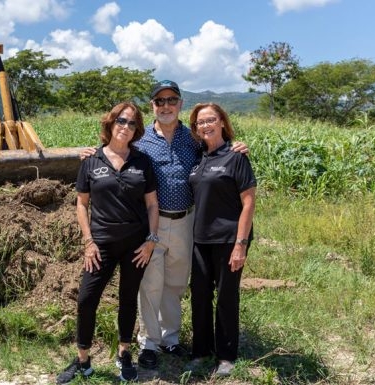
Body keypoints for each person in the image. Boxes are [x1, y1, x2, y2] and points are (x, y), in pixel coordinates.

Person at [78, 80, 248, 370]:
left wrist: (237, 146)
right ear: (153, 107)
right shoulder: (141, 141)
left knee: (176, 283)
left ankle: (170, 337)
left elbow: (216, 149)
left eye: (171, 100)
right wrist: (90, 152)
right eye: (160, 101)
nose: (166, 106)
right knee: (150, 284)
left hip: (186, 220)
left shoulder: (193, 139)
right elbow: (114, 149)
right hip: (150, 225)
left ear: (180, 104)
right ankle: (149, 343)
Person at [56, 102, 160, 384]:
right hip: (100, 244)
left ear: (137, 130)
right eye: (121, 121)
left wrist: (151, 239)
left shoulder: (142, 162)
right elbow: (81, 204)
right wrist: (88, 241)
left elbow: (152, 204)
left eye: (132, 123)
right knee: (86, 299)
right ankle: (82, 360)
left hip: (136, 245)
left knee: (128, 299)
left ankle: (125, 353)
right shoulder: (91, 161)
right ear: (111, 123)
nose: (126, 127)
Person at [187, 102, 256, 376]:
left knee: (227, 297)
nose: (205, 125)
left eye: (210, 120)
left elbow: (248, 202)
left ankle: (226, 356)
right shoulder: (199, 157)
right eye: (200, 122)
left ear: (222, 123)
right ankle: (201, 350)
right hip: (200, 239)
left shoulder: (236, 156)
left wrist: (241, 244)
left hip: (229, 240)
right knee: (199, 296)